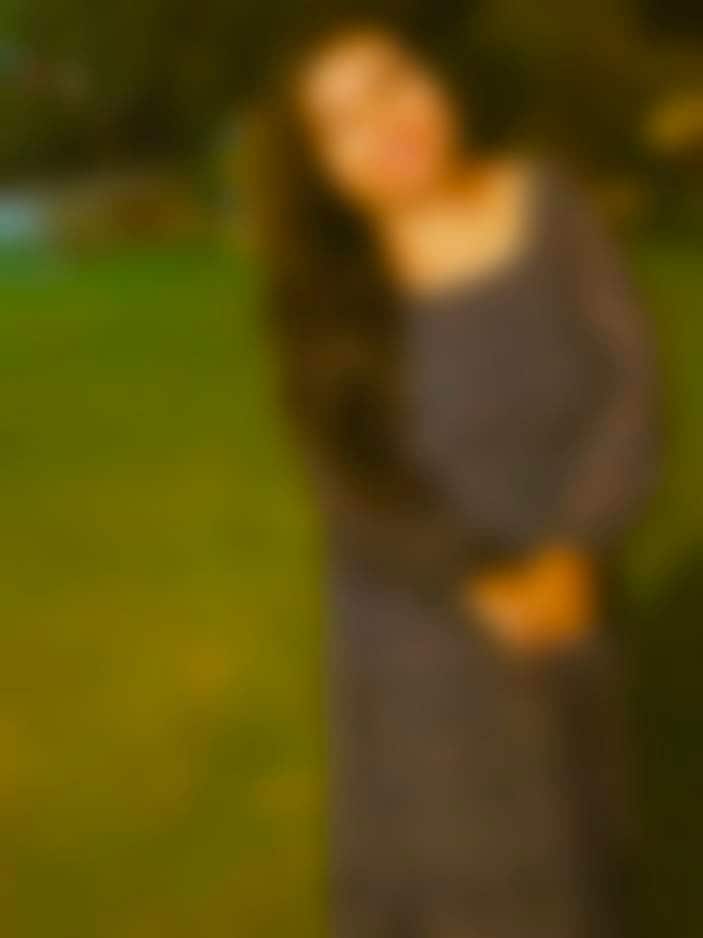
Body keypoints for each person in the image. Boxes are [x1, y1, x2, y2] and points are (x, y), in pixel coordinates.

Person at [253, 18, 658, 938]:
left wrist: (576, 549)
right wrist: (478, 579)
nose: (385, 123)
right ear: (320, 166)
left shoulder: (550, 207)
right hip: (423, 635)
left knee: (578, 864)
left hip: (571, 603)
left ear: (433, 78)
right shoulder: (319, 292)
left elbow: (630, 387)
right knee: (468, 891)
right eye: (343, 122)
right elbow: (349, 486)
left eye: (392, 83)